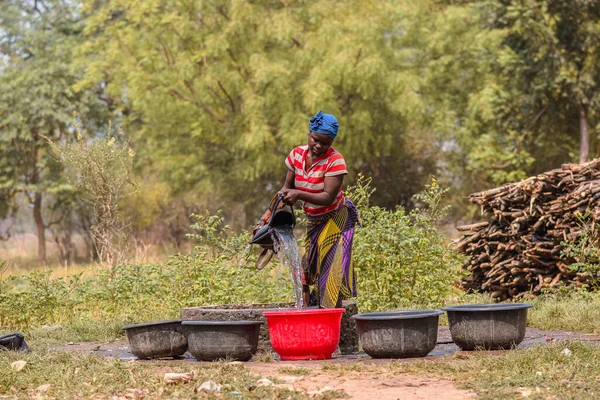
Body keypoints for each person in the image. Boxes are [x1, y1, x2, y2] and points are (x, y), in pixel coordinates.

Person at [276, 110, 359, 309]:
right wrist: (270, 213)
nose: (319, 146)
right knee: (307, 269)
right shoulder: (296, 155)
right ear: (309, 133)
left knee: (331, 269)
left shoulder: (335, 160)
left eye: (326, 143)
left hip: (336, 217)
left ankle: (332, 322)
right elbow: (286, 188)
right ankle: (307, 313)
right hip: (314, 220)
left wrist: (299, 195)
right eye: (315, 139)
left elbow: (327, 197)